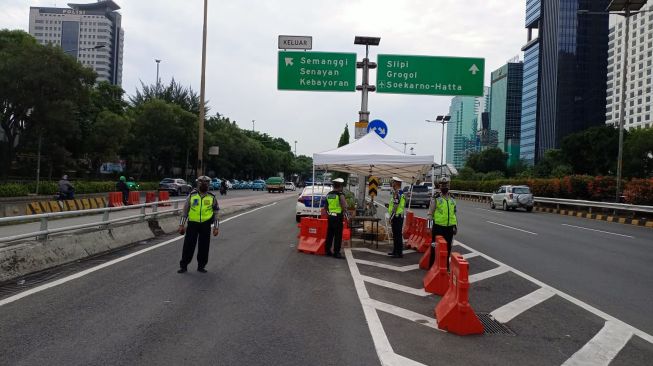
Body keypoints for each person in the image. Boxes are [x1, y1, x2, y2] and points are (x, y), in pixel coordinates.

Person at [177, 176, 220, 273]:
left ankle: (201, 266)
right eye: (201, 182)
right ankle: (183, 266)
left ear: (209, 184)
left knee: (204, 246)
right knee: (188, 245)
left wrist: (216, 227)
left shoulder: (212, 197)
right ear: (198, 184)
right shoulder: (192, 195)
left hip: (206, 224)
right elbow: (185, 211)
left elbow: (216, 212)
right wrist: (181, 225)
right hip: (192, 224)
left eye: (206, 183)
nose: (204, 184)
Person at [427, 177, 458, 271]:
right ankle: (432, 267)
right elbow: (430, 214)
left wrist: (455, 226)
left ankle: (445, 267)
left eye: (446, 185)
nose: (444, 186)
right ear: (439, 186)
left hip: (449, 228)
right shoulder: (436, 198)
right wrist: (429, 227)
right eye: (442, 185)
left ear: (449, 185)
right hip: (438, 227)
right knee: (434, 247)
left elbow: (454, 213)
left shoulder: (453, 198)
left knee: (448, 248)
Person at [324, 178, 349, 259]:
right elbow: (345, 206)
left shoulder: (328, 195)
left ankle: (327, 251)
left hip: (330, 217)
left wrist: (330, 213)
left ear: (333, 186)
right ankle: (336, 253)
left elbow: (326, 207)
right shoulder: (340, 195)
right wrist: (345, 211)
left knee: (329, 234)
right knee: (338, 235)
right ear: (340, 186)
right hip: (338, 217)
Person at [387, 177, 406, 258]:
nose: (392, 184)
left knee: (397, 235)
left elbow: (395, 207)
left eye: (394, 182)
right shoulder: (401, 193)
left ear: (397, 183)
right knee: (396, 235)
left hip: (396, 217)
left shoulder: (397, 194)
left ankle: (398, 253)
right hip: (398, 216)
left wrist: (391, 218)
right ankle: (396, 251)